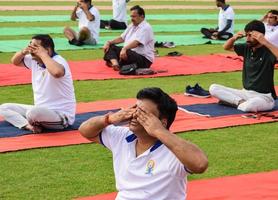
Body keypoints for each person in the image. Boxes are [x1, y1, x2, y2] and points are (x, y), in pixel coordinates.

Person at [79, 87, 208, 200]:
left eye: (143, 113)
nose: (134, 115)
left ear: (162, 122)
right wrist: (109, 119)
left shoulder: (174, 150)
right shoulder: (122, 136)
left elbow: (200, 164)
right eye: (135, 108)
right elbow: (85, 130)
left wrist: (158, 131)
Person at [0, 34, 76, 133]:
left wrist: (43, 54)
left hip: (61, 115)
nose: (31, 50)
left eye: (35, 47)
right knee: (4, 107)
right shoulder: (35, 60)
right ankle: (27, 125)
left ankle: (33, 121)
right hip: (40, 110)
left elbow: (57, 72)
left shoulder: (58, 61)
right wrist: (24, 51)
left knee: (33, 113)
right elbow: (15, 61)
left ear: (47, 50)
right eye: (30, 45)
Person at [209, 20, 278, 112]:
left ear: (260, 36)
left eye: (251, 36)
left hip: (264, 97)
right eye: (247, 35)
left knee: (249, 107)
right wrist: (234, 38)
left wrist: (265, 42)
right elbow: (226, 47)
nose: (247, 39)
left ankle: (234, 102)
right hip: (245, 93)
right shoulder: (247, 47)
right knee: (213, 88)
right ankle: (240, 102)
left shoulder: (268, 51)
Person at [103, 5, 155, 71]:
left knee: (126, 51)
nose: (132, 18)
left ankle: (118, 62)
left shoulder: (146, 28)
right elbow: (122, 38)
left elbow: (136, 43)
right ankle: (115, 64)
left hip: (143, 59)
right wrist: (109, 42)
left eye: (134, 16)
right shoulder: (131, 25)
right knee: (111, 47)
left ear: (142, 16)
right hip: (131, 54)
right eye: (131, 16)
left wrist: (124, 48)